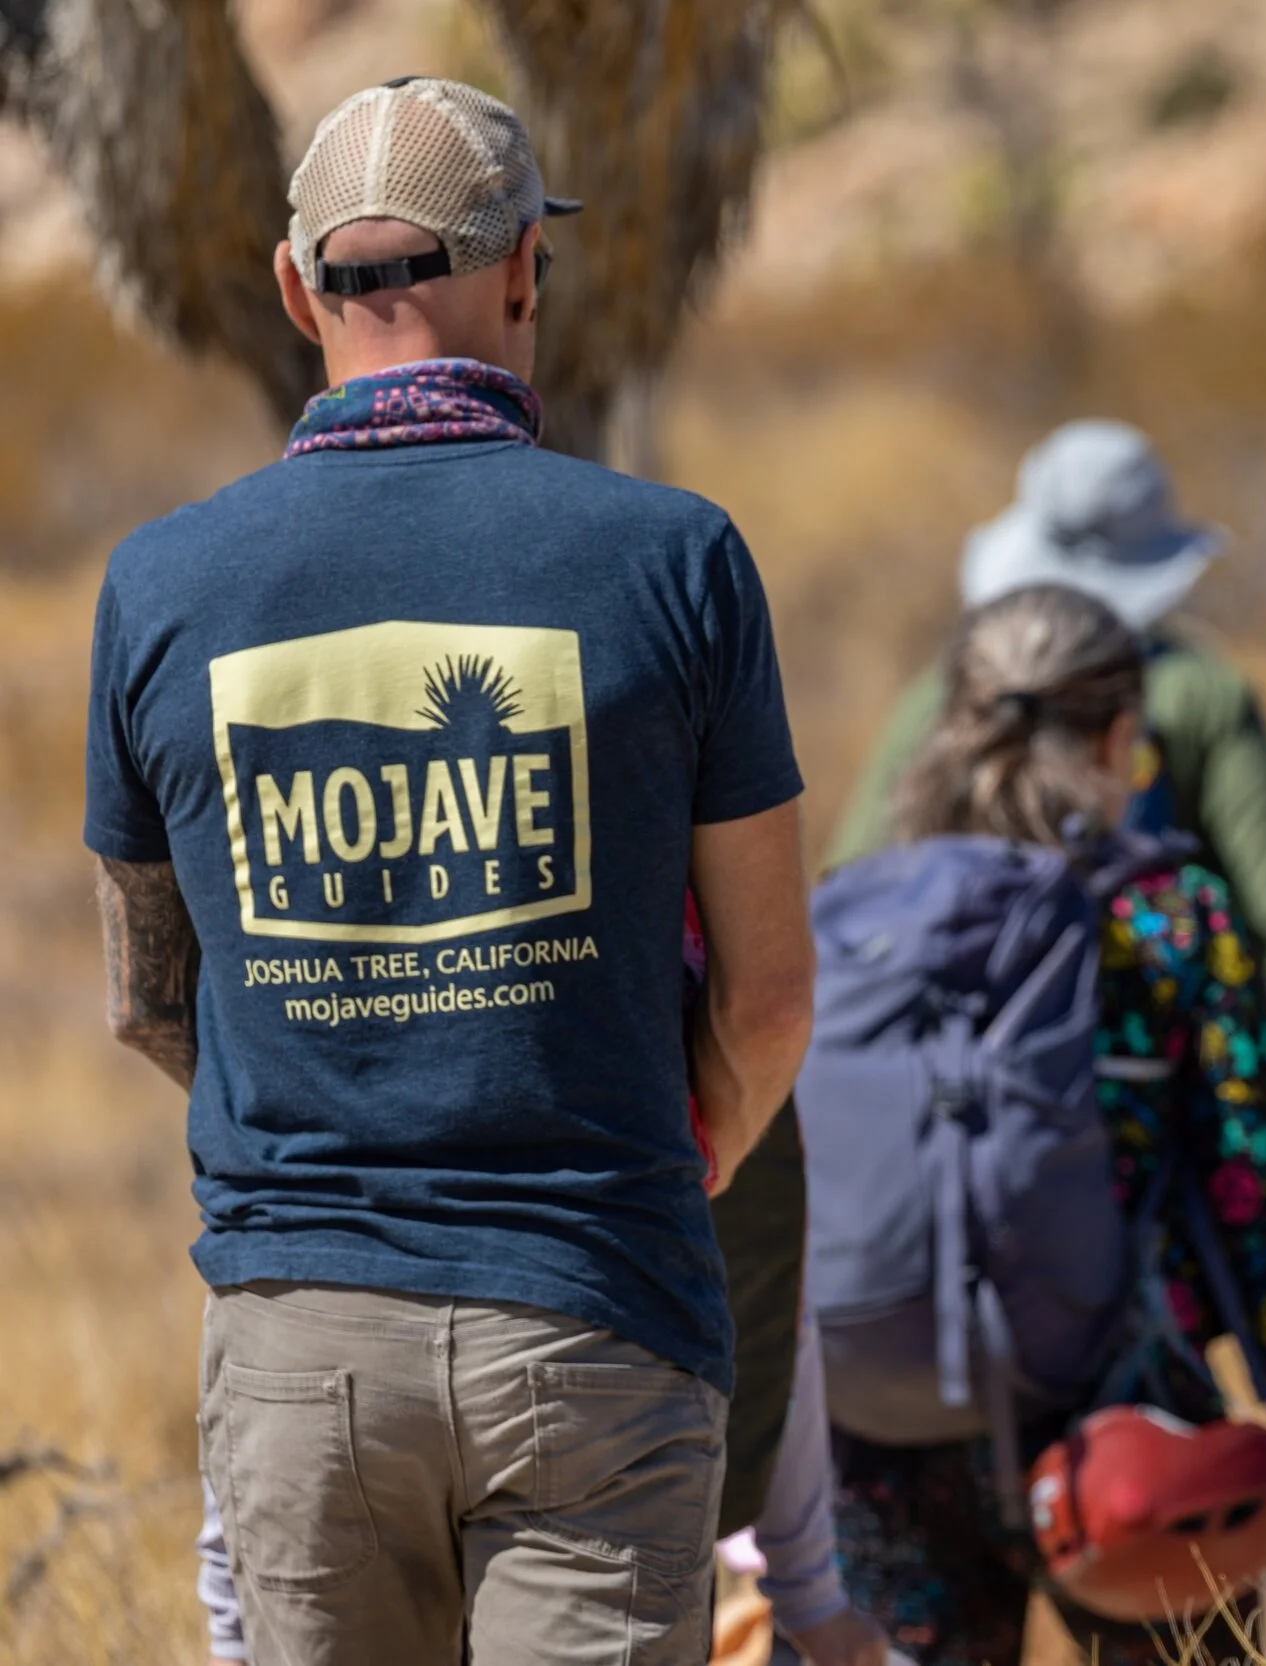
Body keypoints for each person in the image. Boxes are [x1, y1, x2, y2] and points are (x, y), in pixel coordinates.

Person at [83, 77, 813, 1666]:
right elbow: (766, 996)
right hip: (595, 1308)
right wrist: (686, 1149)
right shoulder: (671, 558)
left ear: (295, 289)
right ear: (525, 276)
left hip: (300, 1330)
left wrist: (336, 1110)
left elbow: (150, 999)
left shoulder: (161, 587)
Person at [814, 584, 1266, 1666]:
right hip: (1126, 1412)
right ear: (1126, 737)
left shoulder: (860, 905)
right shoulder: (1170, 916)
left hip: (886, 1410)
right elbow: (1252, 1187)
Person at [825, 420, 1266, 1035]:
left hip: (953, 1071)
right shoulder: (1201, 696)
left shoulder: (940, 693)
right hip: (1147, 1058)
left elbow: (853, 885)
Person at [196, 1306, 892, 1666]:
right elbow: (770, 1286)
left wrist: (230, 1607)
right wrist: (809, 1587)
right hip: (591, 1355)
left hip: (314, 1373)